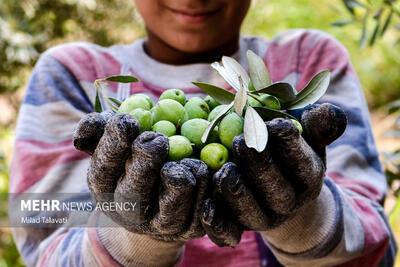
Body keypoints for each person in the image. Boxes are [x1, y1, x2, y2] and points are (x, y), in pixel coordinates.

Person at [10, 0, 397, 266]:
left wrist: (305, 213)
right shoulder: (71, 74)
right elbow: (41, 238)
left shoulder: (307, 62)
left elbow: (375, 253)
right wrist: (136, 230)